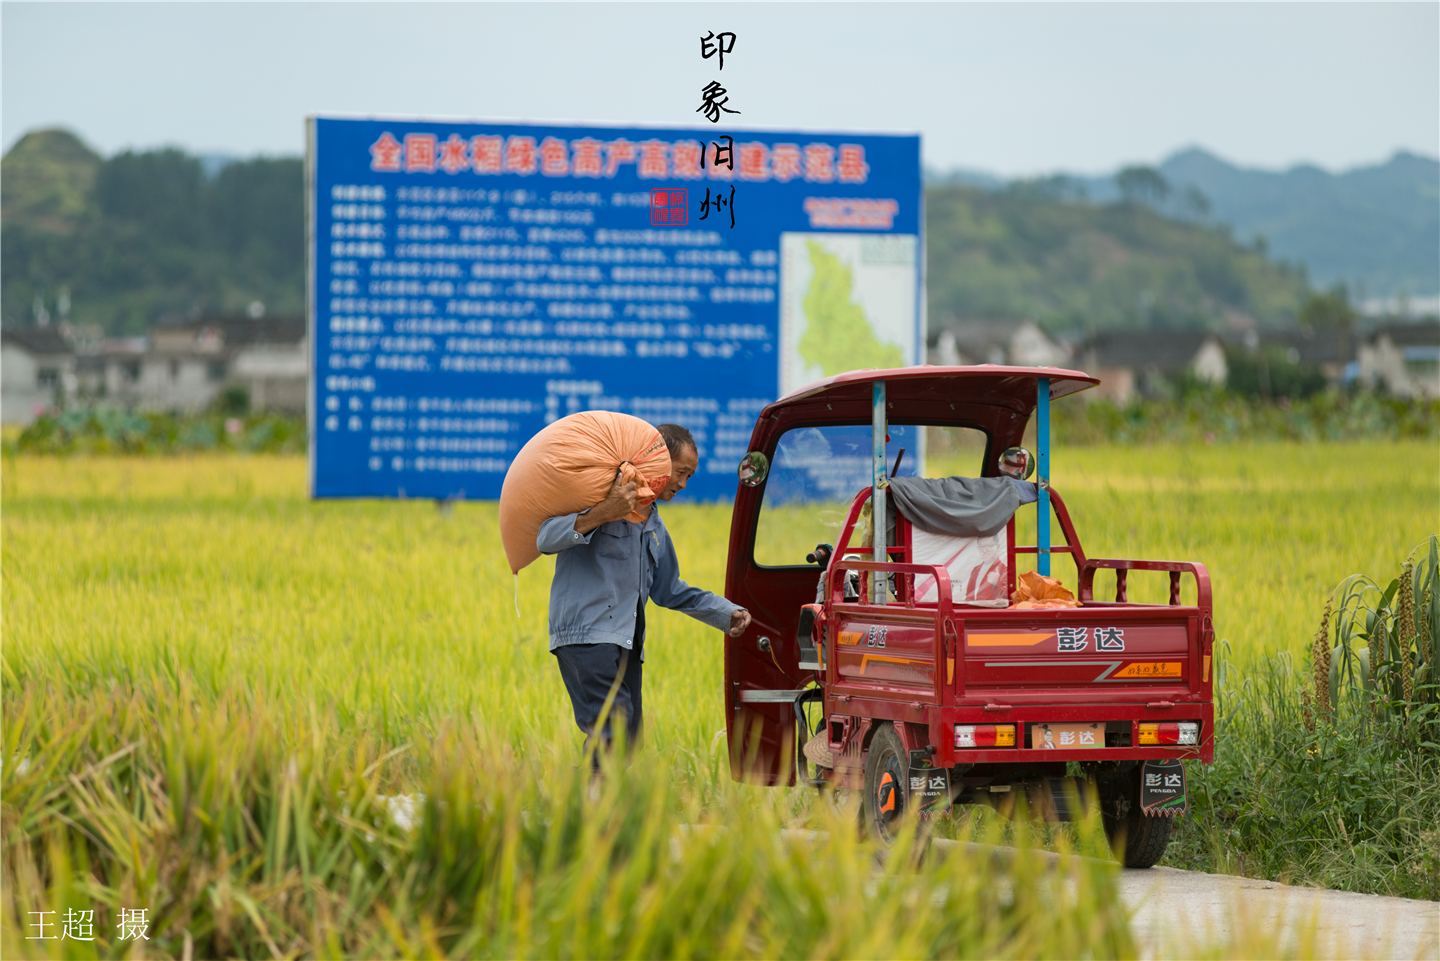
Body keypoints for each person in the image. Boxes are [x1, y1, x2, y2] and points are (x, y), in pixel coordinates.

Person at [537, 423, 752, 757]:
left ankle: (594, 806)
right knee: (615, 729)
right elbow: (546, 538)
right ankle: (594, 808)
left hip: (626, 643)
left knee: (627, 739)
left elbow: (671, 590)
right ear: (657, 461)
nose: (682, 484)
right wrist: (602, 512)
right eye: (680, 472)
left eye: (689, 477)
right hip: (587, 636)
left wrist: (727, 613)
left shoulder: (653, 524)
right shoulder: (601, 496)